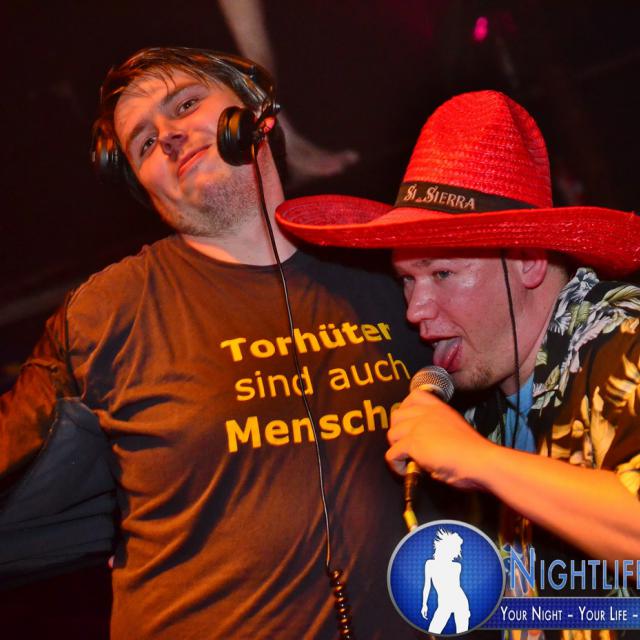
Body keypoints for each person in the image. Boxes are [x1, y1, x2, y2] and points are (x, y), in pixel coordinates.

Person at [0, 47, 432, 639]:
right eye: (144, 142)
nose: (169, 136)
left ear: (258, 115)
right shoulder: (104, 313)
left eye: (185, 105)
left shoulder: (391, 269)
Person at [277, 90, 640, 636]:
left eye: (442, 274)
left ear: (528, 261)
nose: (416, 310)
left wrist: (478, 460)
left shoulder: (623, 339)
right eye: (407, 280)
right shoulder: (483, 400)